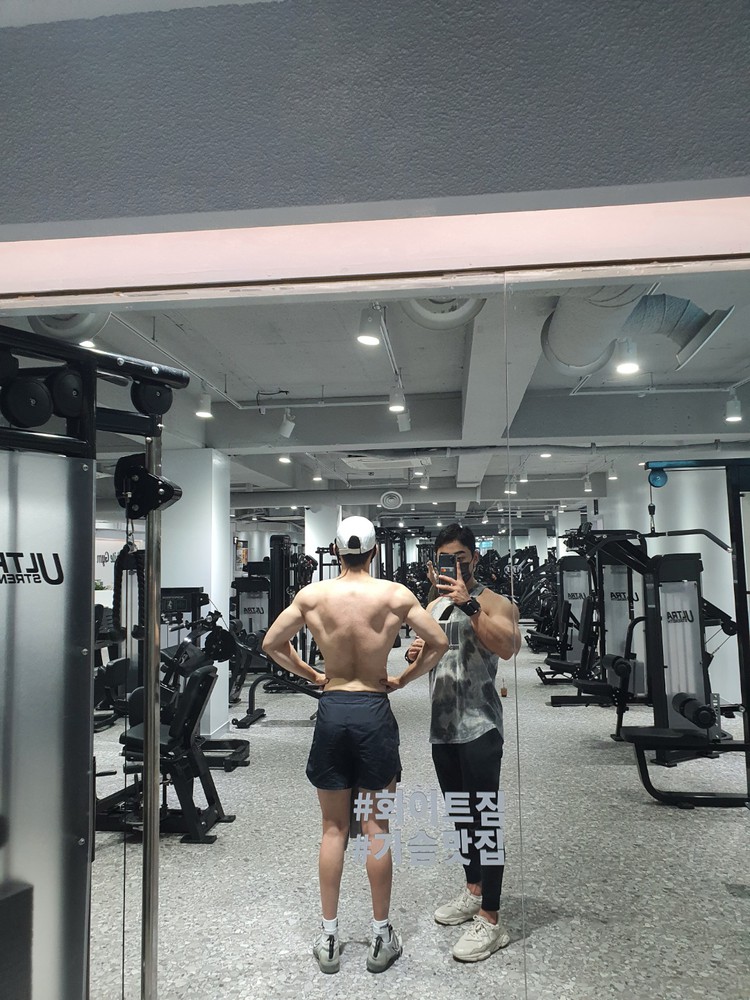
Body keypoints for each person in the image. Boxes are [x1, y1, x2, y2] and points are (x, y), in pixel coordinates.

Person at [261, 515, 449, 975]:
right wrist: (402, 679)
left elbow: (272, 644)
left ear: (335, 551)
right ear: (374, 551)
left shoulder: (312, 596)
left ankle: (329, 936)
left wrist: (313, 675)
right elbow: (439, 642)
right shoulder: (394, 595)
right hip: (372, 710)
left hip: (333, 709)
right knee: (376, 828)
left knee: (333, 829)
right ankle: (381, 934)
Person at [405, 522, 521, 963]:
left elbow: (507, 647)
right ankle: (474, 890)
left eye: (460, 557)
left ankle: (492, 918)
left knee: (484, 818)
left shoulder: (494, 602)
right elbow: (428, 655)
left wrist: (469, 604)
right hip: (443, 727)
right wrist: (415, 655)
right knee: (461, 816)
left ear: (474, 557)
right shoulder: (433, 605)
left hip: (480, 726)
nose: (454, 565)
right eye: (445, 558)